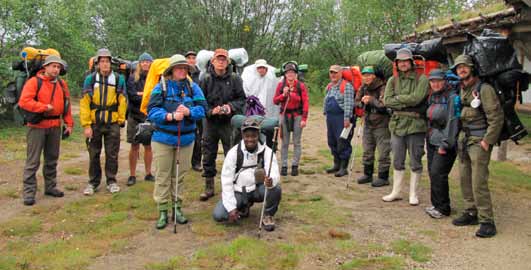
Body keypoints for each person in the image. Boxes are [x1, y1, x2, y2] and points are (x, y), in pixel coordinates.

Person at [147, 54, 206, 229]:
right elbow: (151, 111)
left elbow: (203, 109)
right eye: (179, 68)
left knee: (179, 176)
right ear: (171, 70)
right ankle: (163, 210)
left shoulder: (193, 87)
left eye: (185, 68)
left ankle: (177, 208)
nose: (183, 70)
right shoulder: (161, 87)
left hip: (186, 139)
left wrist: (189, 112)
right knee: (163, 175)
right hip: (163, 139)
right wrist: (169, 116)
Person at [451, 55, 503, 238]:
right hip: (464, 139)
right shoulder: (462, 88)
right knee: (464, 177)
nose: (461, 70)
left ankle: (487, 220)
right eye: (458, 68)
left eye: (464, 67)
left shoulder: (484, 89)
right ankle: (470, 212)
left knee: (478, 181)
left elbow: (496, 117)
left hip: (479, 139)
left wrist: (487, 140)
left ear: (472, 68)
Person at [18, 55, 73, 206]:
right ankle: (29, 192)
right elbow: (24, 101)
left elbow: (67, 105)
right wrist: (43, 107)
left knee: (52, 159)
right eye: (53, 66)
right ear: (45, 67)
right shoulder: (34, 82)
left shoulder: (62, 84)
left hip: (55, 126)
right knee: (33, 161)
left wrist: (69, 124)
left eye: (58, 67)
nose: (56, 69)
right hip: (37, 127)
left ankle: (50, 187)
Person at [212, 117, 281, 232]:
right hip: (238, 191)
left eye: (253, 136)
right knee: (219, 215)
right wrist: (231, 208)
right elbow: (226, 181)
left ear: (258, 135)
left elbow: (274, 171)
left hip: (258, 189)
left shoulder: (267, 151)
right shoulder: (233, 153)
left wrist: (271, 180)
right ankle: (243, 207)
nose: (250, 139)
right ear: (242, 136)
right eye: (247, 136)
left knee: (276, 189)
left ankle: (268, 215)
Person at [382, 48, 429, 205]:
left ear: (411, 62)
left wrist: (398, 99)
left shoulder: (422, 79)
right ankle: (396, 192)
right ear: (396, 63)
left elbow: (417, 99)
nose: (403, 64)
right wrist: (403, 100)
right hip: (397, 125)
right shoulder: (392, 81)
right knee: (397, 159)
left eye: (405, 61)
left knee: (415, 159)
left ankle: (413, 194)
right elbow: (387, 101)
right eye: (400, 61)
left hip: (416, 125)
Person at [199, 48, 246, 201]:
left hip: (229, 123)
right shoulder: (205, 79)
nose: (221, 61)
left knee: (232, 154)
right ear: (212, 61)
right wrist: (211, 111)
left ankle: (232, 185)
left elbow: (242, 100)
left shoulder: (235, 79)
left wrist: (229, 107)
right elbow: (200, 102)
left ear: (228, 62)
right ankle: (209, 186)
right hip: (210, 123)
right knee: (208, 153)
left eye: (223, 59)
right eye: (218, 59)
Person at [81, 48, 127, 196]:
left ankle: (111, 181)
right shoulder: (90, 79)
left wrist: (120, 120)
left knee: (112, 153)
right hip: (95, 123)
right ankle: (93, 182)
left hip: (112, 123)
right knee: (94, 153)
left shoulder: (119, 79)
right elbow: (84, 103)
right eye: (102, 61)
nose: (105, 64)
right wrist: (86, 125)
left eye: (107, 61)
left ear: (111, 63)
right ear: (98, 63)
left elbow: (122, 100)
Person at [424, 69, 460, 219]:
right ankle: (436, 204)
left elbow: (453, 122)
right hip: (432, 139)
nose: (435, 84)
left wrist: (445, 144)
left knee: (439, 173)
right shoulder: (434, 96)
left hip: (445, 143)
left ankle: (444, 208)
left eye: (438, 80)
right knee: (433, 173)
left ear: (445, 81)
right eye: (432, 81)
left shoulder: (453, 98)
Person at [354, 66, 391, 187]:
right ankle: (367, 174)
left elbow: (383, 105)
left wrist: (371, 100)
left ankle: (383, 177)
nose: (366, 77)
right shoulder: (363, 87)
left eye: (369, 75)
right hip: (368, 122)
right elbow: (356, 102)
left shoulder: (383, 87)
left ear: (374, 76)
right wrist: (362, 102)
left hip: (382, 124)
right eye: (364, 75)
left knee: (383, 152)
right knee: (367, 150)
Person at [273, 62, 309, 176]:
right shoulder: (281, 85)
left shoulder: (300, 85)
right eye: (288, 72)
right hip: (284, 115)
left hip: (297, 115)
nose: (290, 74)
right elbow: (275, 100)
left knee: (297, 142)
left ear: (296, 74)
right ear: (285, 74)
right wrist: (283, 95)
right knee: (284, 142)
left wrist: (304, 118)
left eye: (292, 72)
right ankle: (284, 166)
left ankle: (295, 166)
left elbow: (305, 102)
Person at [126, 52, 154, 186]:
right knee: (134, 145)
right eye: (143, 61)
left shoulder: (154, 78)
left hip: (148, 116)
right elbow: (132, 96)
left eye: (148, 62)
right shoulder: (132, 78)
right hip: (134, 116)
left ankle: (148, 173)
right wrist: (144, 95)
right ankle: (132, 175)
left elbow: (154, 97)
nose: (145, 64)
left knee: (148, 146)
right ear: (139, 63)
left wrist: (141, 94)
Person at [323, 64, 354, 177]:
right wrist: (325, 111)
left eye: (335, 72)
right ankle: (336, 164)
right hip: (331, 118)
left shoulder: (347, 86)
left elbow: (349, 104)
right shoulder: (329, 86)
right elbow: (326, 100)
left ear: (341, 73)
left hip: (342, 119)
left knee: (342, 143)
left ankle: (343, 167)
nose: (333, 74)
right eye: (331, 72)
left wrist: (347, 119)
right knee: (332, 142)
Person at [241, 59, 280, 147]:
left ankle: (270, 148)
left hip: (269, 111)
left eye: (263, 68)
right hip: (254, 111)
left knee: (269, 132)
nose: (261, 70)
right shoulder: (249, 77)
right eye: (259, 68)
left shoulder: (272, 78)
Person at [185, 50, 203, 172]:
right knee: (185, 136)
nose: (191, 60)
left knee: (198, 137)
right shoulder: (182, 72)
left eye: (193, 58)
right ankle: (183, 162)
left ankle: (196, 162)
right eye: (189, 58)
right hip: (184, 108)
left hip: (197, 109)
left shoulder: (200, 74)